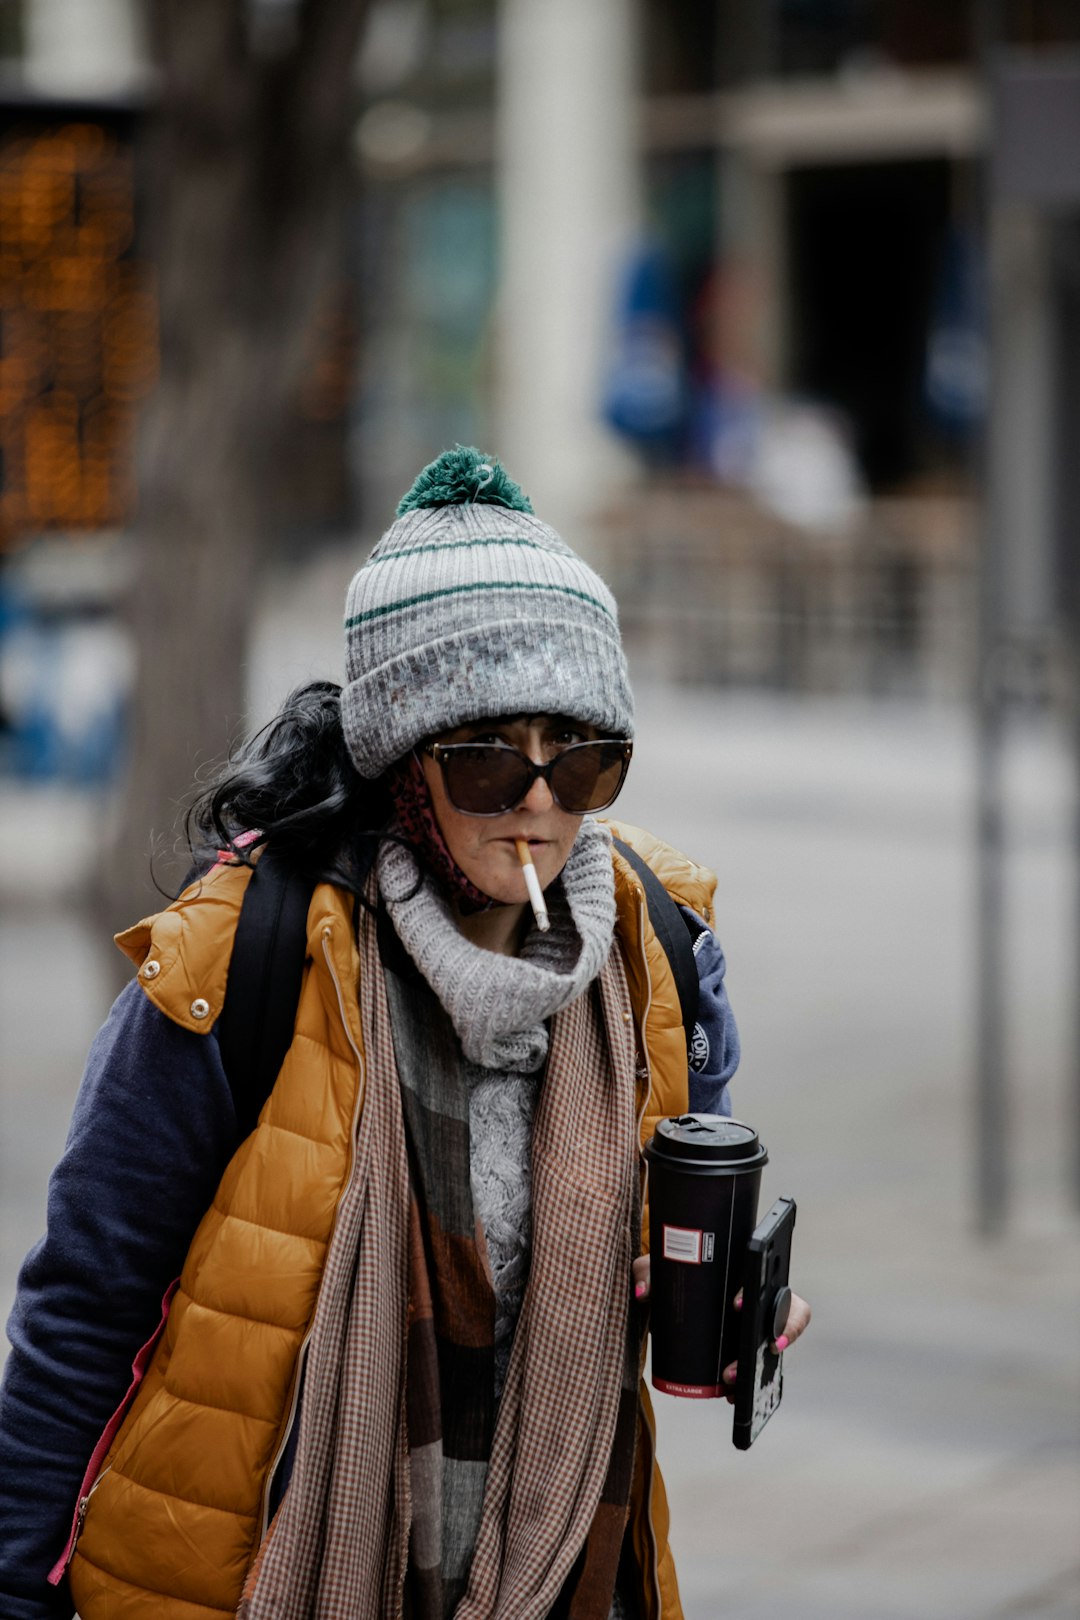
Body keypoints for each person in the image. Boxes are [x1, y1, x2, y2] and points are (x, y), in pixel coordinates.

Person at [0, 447, 809, 1620]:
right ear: (402, 761)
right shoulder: (245, 955)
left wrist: (737, 1311)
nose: (540, 803)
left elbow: (670, 1237)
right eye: (488, 758)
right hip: (253, 1574)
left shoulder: (662, 954)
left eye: (581, 757)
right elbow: (86, 1300)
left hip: (564, 1566)